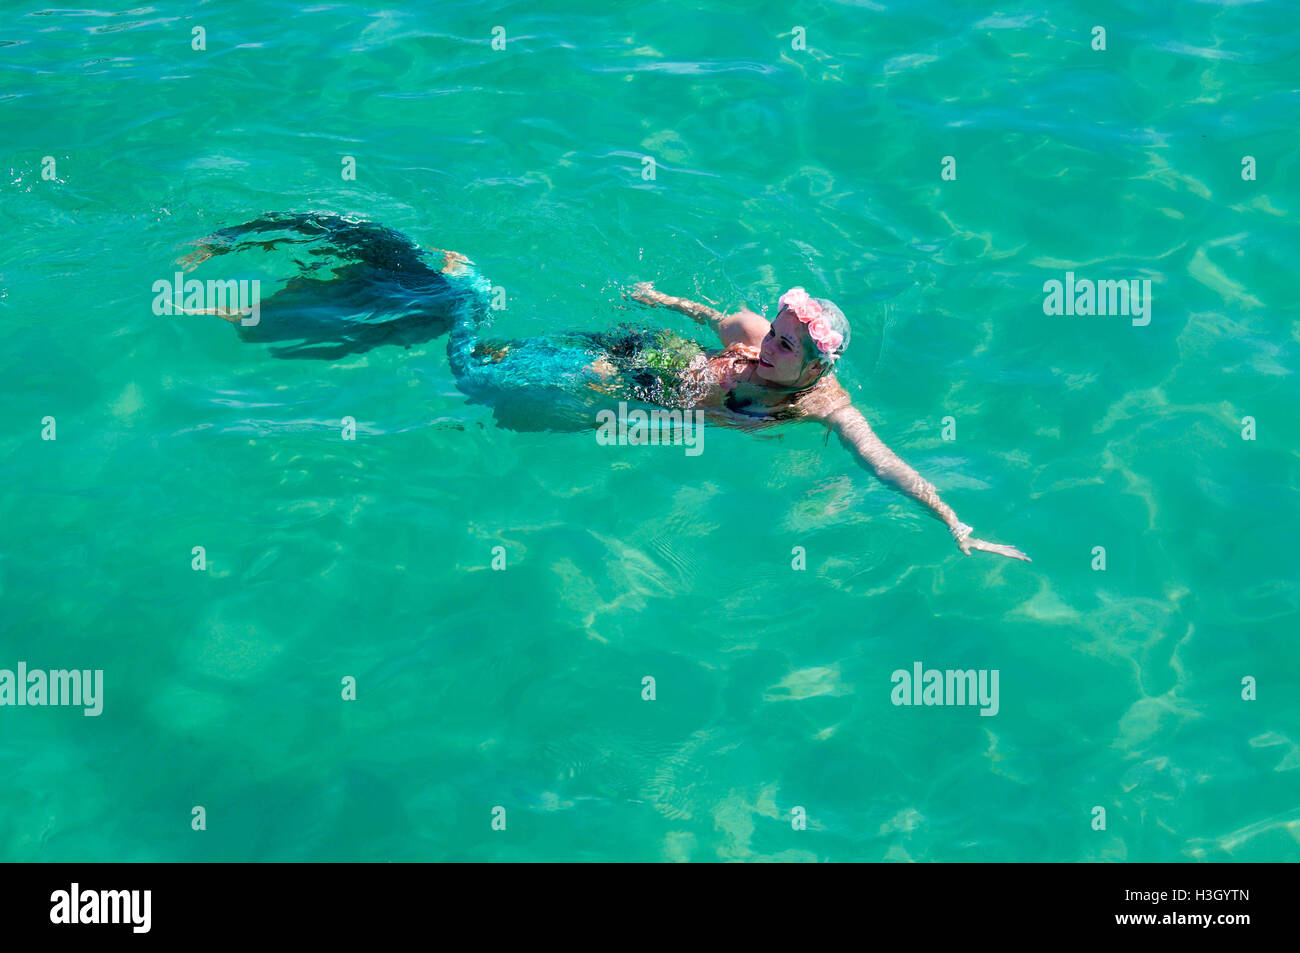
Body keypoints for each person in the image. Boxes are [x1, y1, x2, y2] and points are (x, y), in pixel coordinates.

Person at [179, 212, 1029, 560]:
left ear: (817, 364)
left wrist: (954, 522)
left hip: (638, 385)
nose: (767, 344)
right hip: (634, 366)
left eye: (785, 342)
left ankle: (371, 292)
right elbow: (713, 319)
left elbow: (881, 460)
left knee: (488, 382)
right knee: (475, 382)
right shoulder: (751, 347)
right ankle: (440, 290)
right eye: (774, 331)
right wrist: (665, 301)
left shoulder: (827, 404)